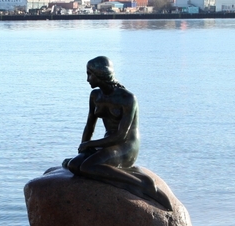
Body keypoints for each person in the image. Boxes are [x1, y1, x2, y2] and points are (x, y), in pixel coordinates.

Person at [63, 56, 171, 210]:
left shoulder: (127, 98)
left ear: (101, 74)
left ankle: (142, 183)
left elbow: (121, 136)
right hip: (107, 144)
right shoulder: (95, 96)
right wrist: (83, 148)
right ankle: (114, 174)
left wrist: (91, 144)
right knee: (74, 165)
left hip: (126, 146)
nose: (87, 79)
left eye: (90, 74)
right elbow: (89, 126)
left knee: (87, 167)